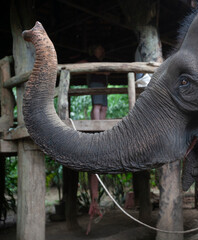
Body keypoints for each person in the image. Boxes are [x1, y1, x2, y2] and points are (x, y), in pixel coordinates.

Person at [86, 44, 109, 235]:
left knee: (104, 107)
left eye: (101, 50)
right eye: (98, 50)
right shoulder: (92, 62)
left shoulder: (103, 63)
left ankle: (101, 124)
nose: (99, 51)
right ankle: (97, 125)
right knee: (97, 104)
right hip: (96, 86)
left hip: (102, 86)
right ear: (94, 51)